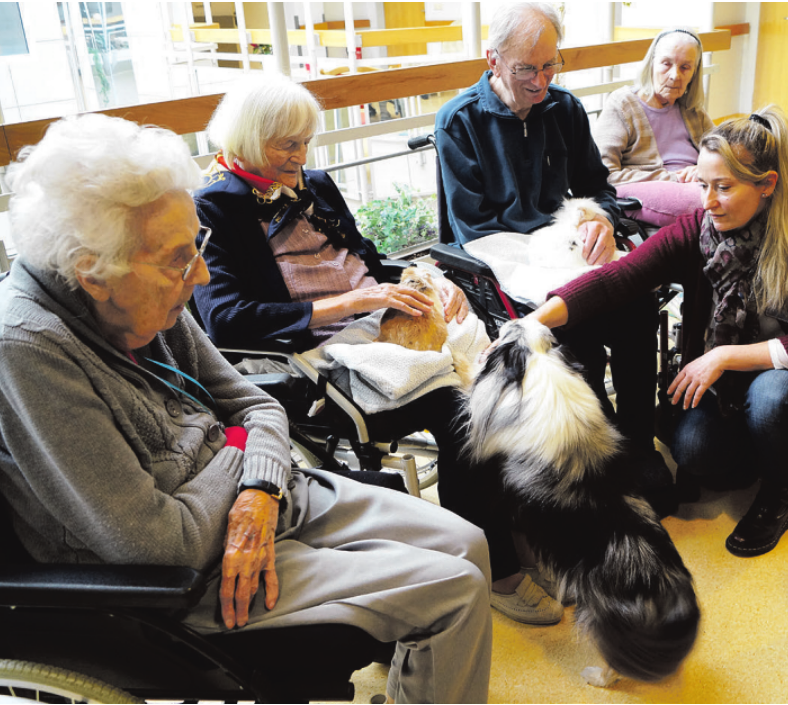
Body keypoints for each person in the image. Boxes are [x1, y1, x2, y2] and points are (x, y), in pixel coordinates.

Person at [0, 113, 491, 703]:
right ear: (92, 272)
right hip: (195, 578)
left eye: (197, 248)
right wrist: (243, 453)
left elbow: (257, 405)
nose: (200, 275)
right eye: (182, 260)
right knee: (455, 589)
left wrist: (257, 485)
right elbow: (161, 543)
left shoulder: (145, 293)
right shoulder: (30, 349)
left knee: (470, 544)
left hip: (268, 498)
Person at [191, 74, 563, 626]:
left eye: (305, 140)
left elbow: (367, 258)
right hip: (317, 353)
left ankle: (519, 528)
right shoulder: (212, 207)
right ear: (247, 139)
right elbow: (225, 321)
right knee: (461, 411)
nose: (302, 155)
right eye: (287, 144)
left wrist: (431, 280)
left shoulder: (311, 182)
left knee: (513, 378)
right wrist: (347, 303)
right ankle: (497, 566)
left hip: (378, 322)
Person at [526, 107, 788, 558]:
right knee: (697, 453)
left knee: (772, 400)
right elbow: (620, 278)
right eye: (702, 185)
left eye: (723, 187)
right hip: (731, 386)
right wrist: (529, 323)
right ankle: (770, 452)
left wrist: (720, 357)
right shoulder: (699, 229)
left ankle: (780, 492)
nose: (708, 201)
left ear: (767, 185)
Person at [434, 1, 676, 516]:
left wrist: (601, 223)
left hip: (569, 254)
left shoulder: (563, 108)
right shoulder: (459, 122)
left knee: (638, 305)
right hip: (509, 264)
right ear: (493, 59)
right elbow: (474, 229)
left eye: (550, 65)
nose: (541, 80)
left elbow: (598, 188)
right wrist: (557, 251)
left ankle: (637, 442)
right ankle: (603, 452)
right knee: (579, 328)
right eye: (527, 68)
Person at [594, 28, 715, 227]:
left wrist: (702, 169)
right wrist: (674, 178)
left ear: (694, 73)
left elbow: (724, 150)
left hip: (698, 183)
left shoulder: (691, 109)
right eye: (666, 64)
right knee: (710, 200)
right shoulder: (622, 104)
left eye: (685, 67)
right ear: (651, 64)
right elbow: (604, 173)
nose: (675, 75)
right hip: (659, 188)